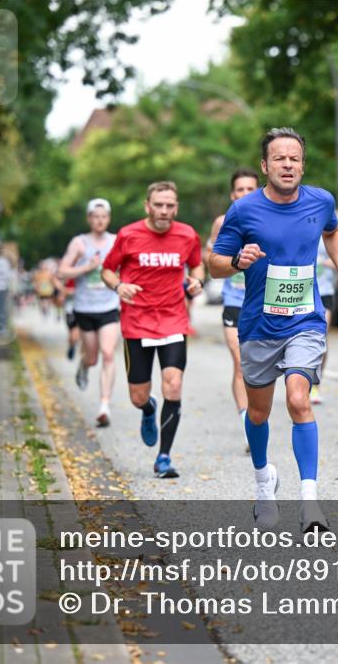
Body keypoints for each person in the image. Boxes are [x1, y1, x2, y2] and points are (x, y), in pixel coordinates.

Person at [210, 127, 338, 532]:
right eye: (279, 158)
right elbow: (214, 264)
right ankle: (264, 482)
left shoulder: (320, 201)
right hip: (259, 323)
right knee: (258, 414)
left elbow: (333, 230)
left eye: (295, 158)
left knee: (298, 399)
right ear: (265, 166)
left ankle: (310, 503)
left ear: (303, 164)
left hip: (305, 320)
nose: (288, 165)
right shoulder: (244, 211)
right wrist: (239, 261)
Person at [101, 181, 203, 479]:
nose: (164, 210)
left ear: (176, 207)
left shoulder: (187, 235)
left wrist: (197, 281)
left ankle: (164, 456)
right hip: (137, 322)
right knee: (137, 396)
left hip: (173, 319)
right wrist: (119, 286)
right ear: (148, 206)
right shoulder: (129, 234)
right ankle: (148, 409)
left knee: (173, 384)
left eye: (170, 205)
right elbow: (107, 270)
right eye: (159, 205)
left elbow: (197, 266)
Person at [206, 168, 260, 450]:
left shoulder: (267, 217)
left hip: (263, 302)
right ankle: (246, 423)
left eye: (250, 189)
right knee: (240, 364)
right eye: (240, 190)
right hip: (234, 302)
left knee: (258, 368)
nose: (244, 194)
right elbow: (211, 259)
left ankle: (257, 414)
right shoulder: (221, 222)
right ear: (232, 194)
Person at [57, 198, 122, 427]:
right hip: (84, 308)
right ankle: (84, 366)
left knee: (108, 354)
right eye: (95, 216)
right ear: (89, 219)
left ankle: (104, 405)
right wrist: (86, 267)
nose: (100, 220)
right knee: (93, 357)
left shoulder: (116, 241)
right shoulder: (80, 243)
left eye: (104, 216)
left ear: (109, 218)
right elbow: (62, 271)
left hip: (109, 307)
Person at [311, 237, 337, 404]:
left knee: (321, 336)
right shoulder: (301, 230)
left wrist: (326, 262)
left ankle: (315, 386)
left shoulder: (327, 235)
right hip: (303, 292)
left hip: (324, 292)